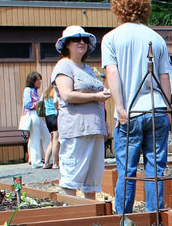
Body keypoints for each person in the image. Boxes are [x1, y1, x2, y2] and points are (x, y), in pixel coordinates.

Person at [102, 0, 172, 214]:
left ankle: (124, 222)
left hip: (129, 113)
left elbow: (112, 73)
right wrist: (168, 110)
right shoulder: (157, 39)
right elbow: (164, 78)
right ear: (145, 8)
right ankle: (155, 220)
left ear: (118, 7)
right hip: (156, 109)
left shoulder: (112, 39)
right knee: (155, 168)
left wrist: (120, 109)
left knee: (127, 170)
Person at [51, 25, 111, 198]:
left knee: (92, 180)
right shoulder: (64, 66)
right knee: (72, 176)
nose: (81, 42)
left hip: (95, 129)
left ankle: (91, 218)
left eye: (85, 39)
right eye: (76, 39)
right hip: (76, 130)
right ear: (66, 44)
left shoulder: (88, 69)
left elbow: (100, 97)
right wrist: (96, 96)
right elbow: (67, 95)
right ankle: (71, 216)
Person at [21, 71, 49, 168]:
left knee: (46, 135)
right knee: (35, 138)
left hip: (37, 115)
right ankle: (36, 161)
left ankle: (48, 158)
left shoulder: (34, 91)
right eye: (38, 80)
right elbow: (27, 104)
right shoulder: (28, 90)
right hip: (33, 114)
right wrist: (39, 103)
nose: (40, 82)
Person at [41, 83, 60, 169]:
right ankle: (55, 163)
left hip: (48, 117)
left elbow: (40, 101)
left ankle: (46, 162)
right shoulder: (54, 91)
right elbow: (56, 101)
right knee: (56, 139)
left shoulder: (46, 91)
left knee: (52, 140)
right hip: (55, 115)